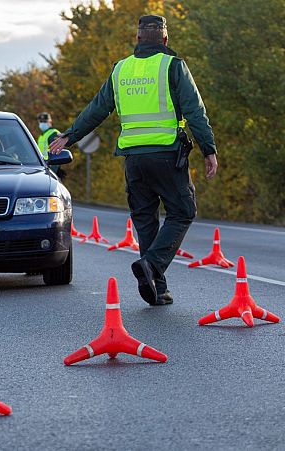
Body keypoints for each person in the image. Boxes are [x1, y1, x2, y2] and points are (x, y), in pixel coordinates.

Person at [49, 15, 218, 306]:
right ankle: (152, 265)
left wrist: (70, 135)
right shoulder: (173, 66)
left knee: (145, 219)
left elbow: (97, 109)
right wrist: (208, 149)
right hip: (166, 154)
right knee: (183, 211)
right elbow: (194, 111)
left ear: (138, 39)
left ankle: (157, 288)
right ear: (165, 40)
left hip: (133, 160)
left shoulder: (121, 70)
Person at [36, 112, 65, 178]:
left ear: (50, 121)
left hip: (50, 166)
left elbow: (57, 154)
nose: (42, 123)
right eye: (40, 122)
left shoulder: (54, 134)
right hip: (42, 166)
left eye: (44, 121)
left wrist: (53, 171)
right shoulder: (42, 136)